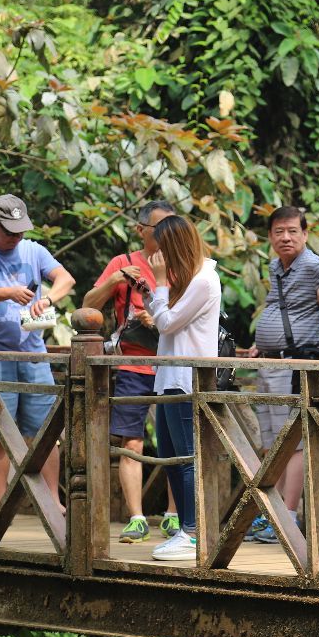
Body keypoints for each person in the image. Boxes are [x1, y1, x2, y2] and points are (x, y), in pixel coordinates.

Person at [0, 194, 75, 502]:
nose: (15, 237)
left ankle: (52, 500)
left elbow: (65, 278)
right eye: (8, 231)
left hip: (33, 353)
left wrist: (47, 299)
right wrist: (4, 292)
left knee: (45, 432)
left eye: (19, 231)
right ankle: (2, 502)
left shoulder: (34, 250)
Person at [82, 200, 180, 543]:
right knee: (131, 440)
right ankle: (137, 517)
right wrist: (114, 281)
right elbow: (88, 306)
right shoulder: (124, 263)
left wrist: (158, 317)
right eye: (160, 227)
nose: (168, 234)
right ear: (141, 230)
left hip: (173, 364)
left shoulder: (184, 264)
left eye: (174, 225)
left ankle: (174, 514)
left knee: (176, 442)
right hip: (133, 364)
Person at [244, 206, 319, 545]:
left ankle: (288, 517)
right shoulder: (275, 267)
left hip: (293, 365)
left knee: (292, 442)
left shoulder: (316, 267)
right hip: (268, 362)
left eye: (293, 231)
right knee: (272, 443)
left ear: (305, 234)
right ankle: (271, 515)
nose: (286, 237)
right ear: (270, 236)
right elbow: (276, 306)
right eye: (279, 231)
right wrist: (258, 342)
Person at [141, 215, 223, 561]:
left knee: (188, 458)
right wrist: (150, 293)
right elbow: (168, 325)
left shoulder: (204, 280)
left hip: (187, 380)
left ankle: (192, 533)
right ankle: (185, 528)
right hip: (170, 379)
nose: (160, 260)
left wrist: (159, 283)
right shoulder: (190, 281)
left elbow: (168, 322)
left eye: (162, 252)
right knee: (170, 457)